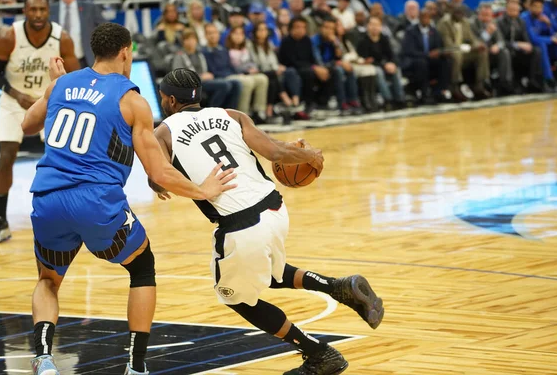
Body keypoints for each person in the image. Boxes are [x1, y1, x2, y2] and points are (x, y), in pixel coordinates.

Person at [21, 23, 236, 375]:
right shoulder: (132, 100)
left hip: (47, 197)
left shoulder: (62, 83)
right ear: (125, 52)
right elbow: (159, 172)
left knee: (48, 280)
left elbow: (28, 126)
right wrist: (203, 191)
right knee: (141, 265)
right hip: (95, 201)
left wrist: (52, 89)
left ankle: (44, 359)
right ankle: (136, 367)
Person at [152, 67, 385, 375]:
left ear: (169, 101)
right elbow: (275, 150)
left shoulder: (163, 133)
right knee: (264, 272)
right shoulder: (232, 115)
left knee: (235, 297)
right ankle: (338, 287)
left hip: (241, 224)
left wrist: (169, 184)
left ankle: (318, 354)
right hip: (275, 208)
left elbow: (158, 180)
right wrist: (309, 155)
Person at [0, 0, 79, 245]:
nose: (38, 15)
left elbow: (75, 73)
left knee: (62, 158)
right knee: (6, 156)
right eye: (33, 9)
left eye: (42, 10)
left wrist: (60, 92)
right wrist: (15, 93)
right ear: (25, 11)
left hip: (50, 101)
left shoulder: (62, 38)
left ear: (49, 11)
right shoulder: (10, 36)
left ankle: (68, 216)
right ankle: (0, 220)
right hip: (15, 101)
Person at [171, 28, 241, 109]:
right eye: (187, 39)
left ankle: (230, 112)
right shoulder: (180, 55)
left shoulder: (199, 54)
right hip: (192, 84)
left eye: (193, 39)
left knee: (236, 83)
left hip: (205, 80)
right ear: (183, 41)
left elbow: (205, 69)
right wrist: (200, 77)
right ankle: (211, 111)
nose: (191, 42)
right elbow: (178, 76)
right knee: (225, 85)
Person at [278, 16, 332, 116]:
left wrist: (318, 67)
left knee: (328, 71)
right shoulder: (286, 42)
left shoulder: (306, 40)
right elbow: (291, 61)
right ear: (291, 28)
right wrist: (314, 68)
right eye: (298, 27)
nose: (301, 30)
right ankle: (308, 103)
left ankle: (323, 102)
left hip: (307, 66)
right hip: (291, 69)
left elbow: (312, 58)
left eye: (303, 27)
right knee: (309, 73)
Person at [50, 0, 106, 68]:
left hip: (85, 60)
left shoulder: (89, 8)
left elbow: (105, 27)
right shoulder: (51, 9)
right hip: (58, 61)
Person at [437, 4, 490, 101]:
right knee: (457, 54)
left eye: (461, 13)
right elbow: (448, 45)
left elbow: (472, 39)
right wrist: (468, 48)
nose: (459, 15)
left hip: (464, 51)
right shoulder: (444, 23)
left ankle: (479, 85)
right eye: (457, 13)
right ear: (452, 12)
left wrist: (478, 45)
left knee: (482, 52)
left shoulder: (465, 22)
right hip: (448, 52)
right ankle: (455, 87)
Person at [250, 22, 302, 116]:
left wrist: (277, 68)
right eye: (260, 30)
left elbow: (273, 60)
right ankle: (285, 101)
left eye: (265, 30)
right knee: (273, 77)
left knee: (291, 71)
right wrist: (274, 69)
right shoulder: (251, 45)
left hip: (271, 71)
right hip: (259, 71)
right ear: (255, 32)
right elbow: (256, 62)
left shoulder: (269, 44)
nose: (263, 32)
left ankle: (295, 101)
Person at [401, 9, 452, 104]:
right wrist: (427, 55)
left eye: (428, 18)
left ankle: (439, 91)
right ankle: (425, 93)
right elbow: (409, 51)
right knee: (422, 63)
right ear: (419, 18)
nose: (426, 20)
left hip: (430, 60)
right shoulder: (411, 31)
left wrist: (441, 53)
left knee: (445, 62)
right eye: (424, 17)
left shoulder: (434, 31)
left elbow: (438, 46)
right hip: (415, 60)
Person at [312, 16, 361, 113]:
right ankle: (341, 102)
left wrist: (336, 44)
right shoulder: (315, 40)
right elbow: (318, 60)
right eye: (326, 27)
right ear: (321, 28)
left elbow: (339, 56)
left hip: (331, 65)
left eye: (331, 29)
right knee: (338, 70)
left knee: (349, 68)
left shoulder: (334, 40)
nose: (328, 31)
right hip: (318, 66)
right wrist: (336, 63)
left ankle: (352, 100)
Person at [357, 16, 405, 109]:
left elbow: (391, 55)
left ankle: (399, 98)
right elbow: (368, 59)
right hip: (371, 66)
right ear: (368, 26)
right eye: (372, 25)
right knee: (378, 72)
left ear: (381, 27)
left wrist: (392, 63)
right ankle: (388, 99)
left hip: (384, 64)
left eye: (377, 25)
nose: (375, 27)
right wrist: (384, 65)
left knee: (396, 69)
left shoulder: (384, 39)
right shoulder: (363, 41)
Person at [497, 0, 544, 92]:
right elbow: (500, 41)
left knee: (536, 51)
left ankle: (533, 80)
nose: (514, 12)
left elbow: (525, 37)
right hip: (507, 49)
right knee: (506, 53)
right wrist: (516, 44)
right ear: (506, 10)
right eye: (511, 10)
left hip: (519, 50)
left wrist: (528, 45)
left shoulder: (521, 21)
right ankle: (508, 84)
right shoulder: (500, 22)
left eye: (516, 10)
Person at [225, 25, 269, 120]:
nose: (238, 36)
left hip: (246, 73)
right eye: (235, 34)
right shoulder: (226, 49)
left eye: (241, 34)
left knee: (262, 78)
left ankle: (259, 111)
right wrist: (245, 71)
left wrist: (253, 68)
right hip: (234, 74)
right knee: (248, 82)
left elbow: (252, 61)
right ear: (230, 35)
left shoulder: (246, 48)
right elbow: (230, 66)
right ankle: (243, 113)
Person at [523, 0, 557, 85]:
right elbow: (533, 38)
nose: (538, 9)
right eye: (535, 6)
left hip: (543, 45)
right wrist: (551, 39)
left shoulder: (542, 17)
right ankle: (548, 79)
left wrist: (548, 24)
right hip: (529, 45)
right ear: (530, 7)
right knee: (542, 44)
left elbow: (551, 35)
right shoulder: (525, 18)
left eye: (540, 7)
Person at [471, 3, 513, 94]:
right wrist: (487, 32)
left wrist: (497, 45)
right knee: (483, 52)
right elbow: (476, 43)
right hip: (478, 53)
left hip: (492, 52)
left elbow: (501, 40)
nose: (486, 17)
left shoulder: (493, 22)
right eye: (484, 15)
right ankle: (485, 84)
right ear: (478, 14)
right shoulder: (473, 23)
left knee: (504, 52)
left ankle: (504, 82)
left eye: (488, 15)